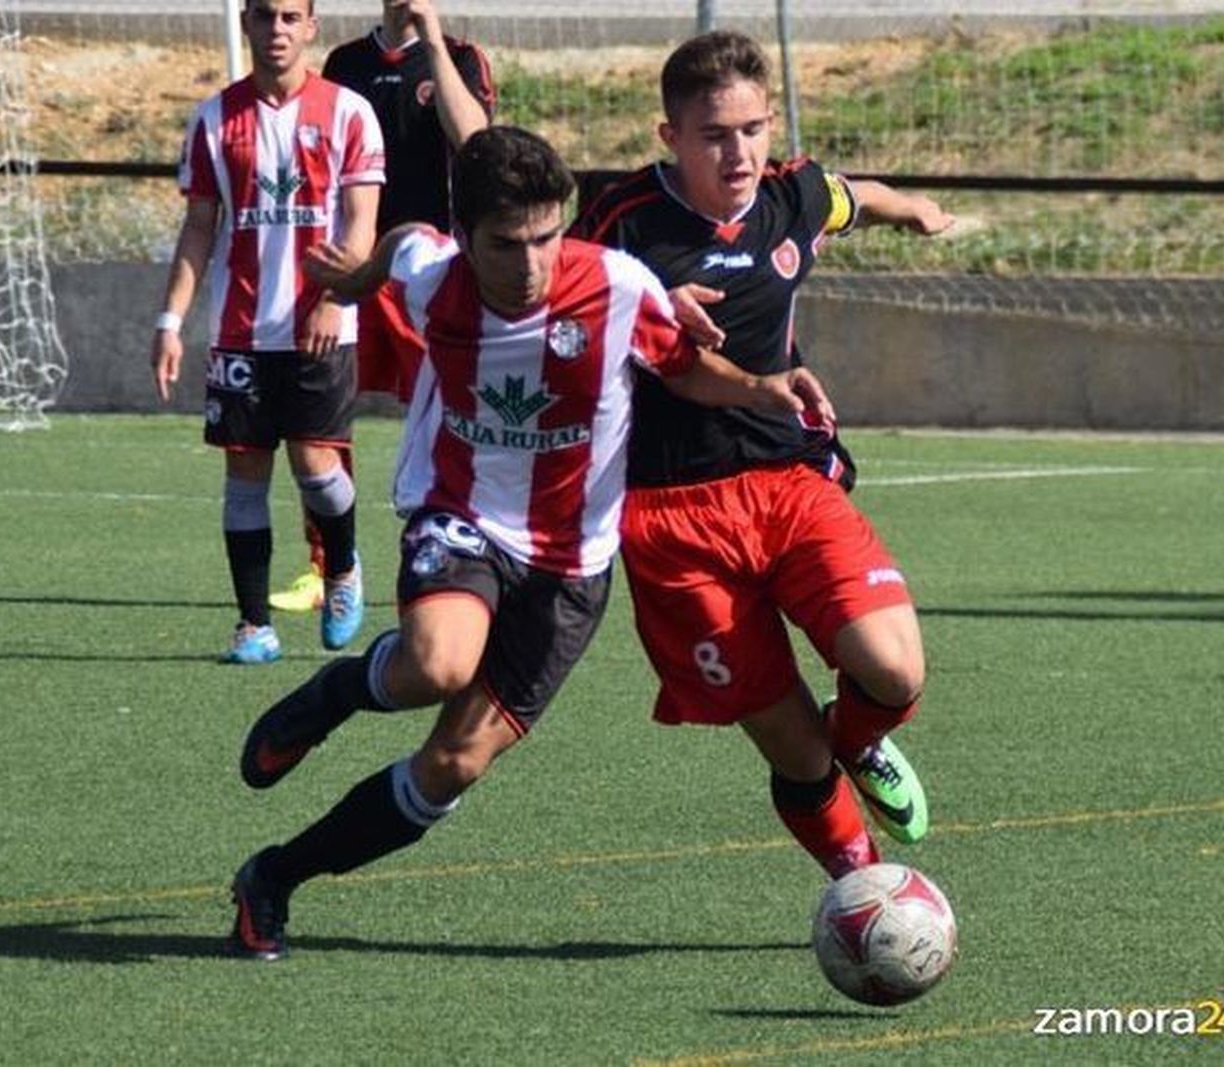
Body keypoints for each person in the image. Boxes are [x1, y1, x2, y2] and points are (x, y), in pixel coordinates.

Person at [224, 126, 837, 960]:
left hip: (573, 568)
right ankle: (337, 695)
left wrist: (764, 387)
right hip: (462, 517)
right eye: (507, 244)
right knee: (437, 663)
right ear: (468, 236)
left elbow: (683, 366)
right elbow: (404, 244)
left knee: (454, 762)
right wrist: (356, 281)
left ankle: (274, 877)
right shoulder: (436, 283)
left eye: (548, 237)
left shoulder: (619, 285)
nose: (532, 263)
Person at [568, 30, 958, 876]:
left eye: (752, 128)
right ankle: (866, 888)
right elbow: (557, 310)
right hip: (670, 512)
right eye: (714, 134)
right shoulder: (622, 222)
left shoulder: (795, 195)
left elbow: (858, 196)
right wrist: (643, 300)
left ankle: (861, 737)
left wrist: (916, 210)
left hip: (788, 479)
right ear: (670, 136)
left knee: (892, 669)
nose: (738, 151)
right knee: (794, 749)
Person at [150, 0, 380, 663]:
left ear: (310, 27)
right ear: (245, 25)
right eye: (262, 17)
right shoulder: (214, 119)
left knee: (316, 465)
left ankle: (341, 568)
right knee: (244, 474)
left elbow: (361, 222)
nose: (275, 31)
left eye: (288, 17)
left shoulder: (348, 112)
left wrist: (335, 298)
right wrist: (170, 322)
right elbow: (199, 229)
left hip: (321, 323)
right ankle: (253, 625)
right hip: (240, 329)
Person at [270, 0, 495, 615]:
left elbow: (475, 139)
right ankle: (327, 564)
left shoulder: (461, 58)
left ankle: (445, 556)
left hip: (429, 274)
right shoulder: (346, 62)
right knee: (321, 419)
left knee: (442, 420)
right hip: (352, 264)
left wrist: (431, 38)